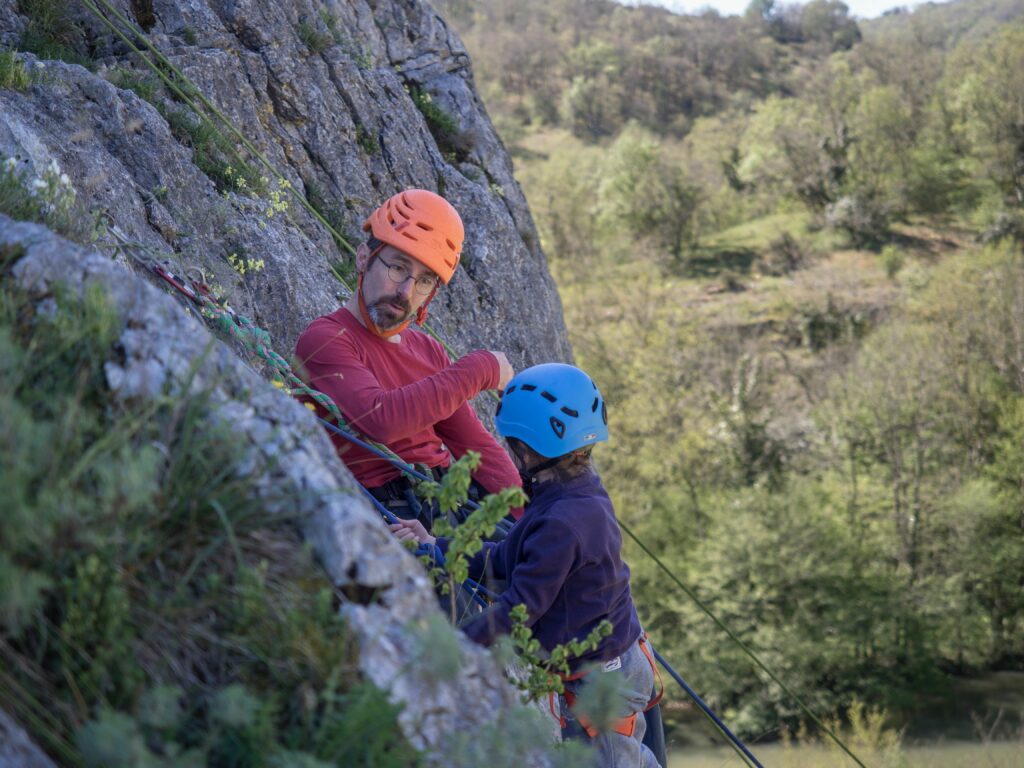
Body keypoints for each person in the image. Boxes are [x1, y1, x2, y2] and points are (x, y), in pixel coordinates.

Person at [391, 363, 662, 768]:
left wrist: (453, 648)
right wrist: (435, 548)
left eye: (512, 443)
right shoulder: (569, 492)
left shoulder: (561, 521)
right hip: (614, 661)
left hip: (604, 682)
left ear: (527, 448)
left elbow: (518, 610)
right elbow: (504, 558)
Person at [294, 189, 521, 530]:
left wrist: (530, 516)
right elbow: (380, 420)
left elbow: (475, 447)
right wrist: (480, 369)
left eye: (424, 281)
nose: (406, 292)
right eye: (398, 267)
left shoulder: (428, 351)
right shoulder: (327, 339)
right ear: (362, 259)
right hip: (389, 505)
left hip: (445, 496)